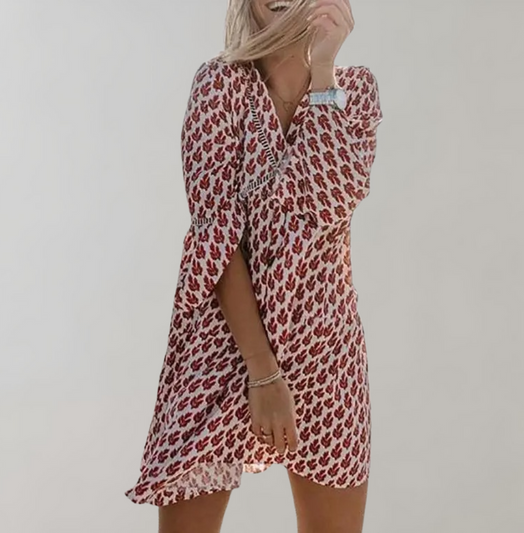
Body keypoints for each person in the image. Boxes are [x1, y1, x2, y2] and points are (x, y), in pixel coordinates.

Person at [125, 0, 383, 531]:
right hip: (224, 345)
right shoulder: (219, 86)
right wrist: (263, 372)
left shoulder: (353, 90)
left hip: (327, 349)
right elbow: (216, 239)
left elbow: (329, 198)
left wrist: (324, 71)